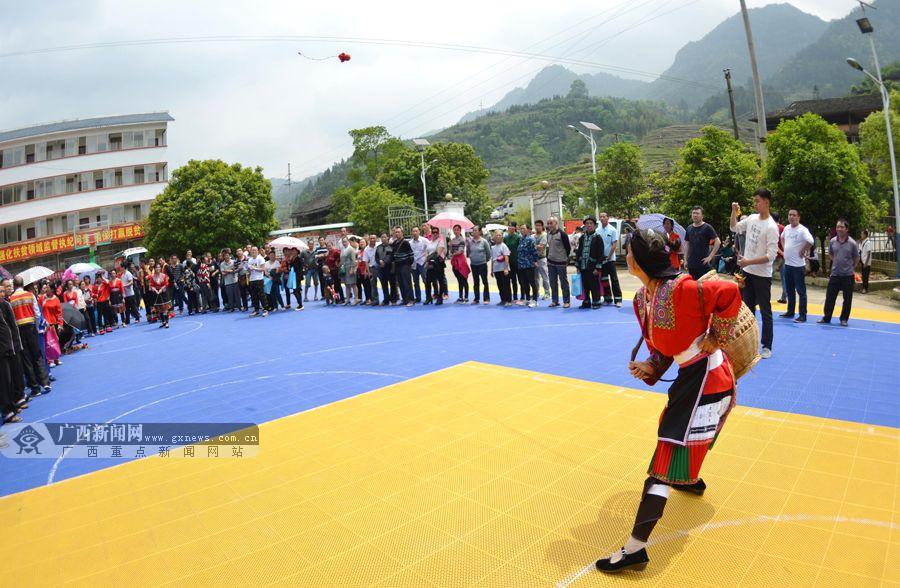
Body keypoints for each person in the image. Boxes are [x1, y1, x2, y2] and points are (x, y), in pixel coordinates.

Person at [594, 229, 741, 574]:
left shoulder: (684, 289)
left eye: (628, 251)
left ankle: (635, 549)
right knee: (675, 435)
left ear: (638, 260)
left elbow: (730, 290)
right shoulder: (643, 299)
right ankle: (688, 478)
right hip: (692, 377)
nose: (626, 256)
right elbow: (664, 348)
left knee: (664, 456)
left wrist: (716, 335)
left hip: (707, 378)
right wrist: (651, 365)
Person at [730, 189, 779, 359]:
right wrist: (733, 212)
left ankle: (767, 346)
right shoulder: (751, 218)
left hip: (762, 275)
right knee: (748, 310)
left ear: (766, 202)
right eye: (755, 201)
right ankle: (749, 344)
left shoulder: (772, 227)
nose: (755, 204)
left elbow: (771, 256)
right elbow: (734, 227)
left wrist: (748, 262)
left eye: (758, 201)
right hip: (747, 273)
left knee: (765, 311)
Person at [9, 277, 51, 397]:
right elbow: (37, 314)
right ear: (23, 284)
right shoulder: (30, 295)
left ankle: (35, 388)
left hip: (19, 330)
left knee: (26, 359)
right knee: (37, 355)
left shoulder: (11, 299)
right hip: (31, 327)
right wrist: (36, 327)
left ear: (14, 285)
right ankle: (45, 381)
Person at [818, 219, 859, 327]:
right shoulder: (832, 241)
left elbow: (856, 258)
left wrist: (850, 268)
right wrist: (836, 262)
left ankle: (844, 319)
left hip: (848, 276)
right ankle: (826, 317)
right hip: (835, 274)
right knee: (830, 297)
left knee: (847, 299)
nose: (839, 229)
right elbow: (831, 254)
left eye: (841, 227)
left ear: (846, 229)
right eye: (837, 227)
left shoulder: (852, 243)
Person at [779, 209, 814, 322]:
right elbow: (782, 237)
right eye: (789, 215)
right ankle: (790, 311)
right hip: (788, 264)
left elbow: (811, 241)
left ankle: (803, 315)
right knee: (789, 290)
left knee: (801, 291)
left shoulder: (802, 230)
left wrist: (803, 250)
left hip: (798, 266)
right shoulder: (787, 228)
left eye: (794, 215)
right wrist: (785, 249)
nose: (791, 217)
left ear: (798, 217)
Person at [576, 216, 605, 309]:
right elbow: (579, 251)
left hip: (593, 266)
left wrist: (598, 267)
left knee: (594, 284)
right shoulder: (582, 238)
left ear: (594, 225)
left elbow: (601, 254)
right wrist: (578, 265)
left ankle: (596, 302)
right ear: (584, 225)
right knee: (585, 284)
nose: (589, 225)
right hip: (583, 265)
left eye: (591, 223)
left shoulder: (598, 238)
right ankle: (586, 301)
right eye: (587, 223)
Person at [684, 206, 720, 280]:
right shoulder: (689, 228)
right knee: (693, 286)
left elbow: (718, 242)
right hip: (691, 263)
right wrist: (685, 260)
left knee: (703, 286)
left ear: (702, 216)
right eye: (693, 213)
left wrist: (710, 257)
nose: (695, 215)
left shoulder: (707, 227)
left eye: (697, 213)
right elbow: (687, 245)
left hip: (703, 263)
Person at [598, 212, 623, 307]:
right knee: (604, 280)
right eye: (600, 217)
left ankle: (618, 299)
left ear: (608, 218)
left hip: (610, 259)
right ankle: (607, 298)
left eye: (604, 216)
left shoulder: (613, 230)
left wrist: (609, 256)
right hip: (601, 260)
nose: (602, 218)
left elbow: (614, 244)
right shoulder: (597, 231)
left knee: (614, 279)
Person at [546, 217, 571, 308]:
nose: (549, 225)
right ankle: (555, 301)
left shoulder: (562, 234)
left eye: (551, 223)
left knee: (563, 282)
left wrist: (564, 258)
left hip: (561, 262)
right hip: (550, 262)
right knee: (553, 282)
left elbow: (568, 248)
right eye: (548, 223)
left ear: (556, 223)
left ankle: (566, 301)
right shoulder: (548, 234)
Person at [466, 226, 492, 304]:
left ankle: (486, 298)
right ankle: (476, 298)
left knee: (485, 282)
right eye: (473, 230)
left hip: (482, 264)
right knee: (476, 282)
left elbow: (488, 253)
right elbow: (468, 252)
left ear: (480, 232)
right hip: (473, 265)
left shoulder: (484, 241)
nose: (474, 232)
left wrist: (485, 260)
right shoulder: (470, 242)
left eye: (476, 230)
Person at [516, 223, 539, 308]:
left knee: (532, 282)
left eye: (523, 228)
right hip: (521, 265)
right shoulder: (521, 239)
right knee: (524, 283)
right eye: (521, 229)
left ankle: (535, 300)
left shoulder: (530, 239)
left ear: (528, 230)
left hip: (529, 264)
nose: (522, 230)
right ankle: (528, 299)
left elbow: (534, 251)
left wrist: (535, 261)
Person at [392, 226, 415, 306]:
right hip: (398, 266)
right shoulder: (394, 243)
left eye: (398, 232)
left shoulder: (405, 243)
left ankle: (411, 300)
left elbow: (411, 255)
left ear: (402, 233)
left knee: (407, 283)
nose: (397, 234)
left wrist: (408, 264)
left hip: (405, 265)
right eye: (396, 232)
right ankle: (405, 299)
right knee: (401, 283)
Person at [449, 224, 470, 303]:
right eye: (454, 229)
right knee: (459, 280)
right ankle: (460, 297)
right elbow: (451, 252)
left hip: (461, 262)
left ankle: (466, 297)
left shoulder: (462, 239)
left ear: (460, 230)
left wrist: (453, 254)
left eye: (457, 229)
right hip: (455, 262)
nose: (456, 231)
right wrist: (450, 246)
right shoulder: (452, 240)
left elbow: (460, 251)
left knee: (464, 279)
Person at [490, 230, 512, 306]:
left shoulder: (504, 246)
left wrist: (506, 268)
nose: (498, 236)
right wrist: (492, 270)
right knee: (500, 285)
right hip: (496, 269)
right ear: (494, 237)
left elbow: (506, 257)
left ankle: (508, 300)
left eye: (500, 235)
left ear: (502, 237)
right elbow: (493, 259)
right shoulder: (493, 247)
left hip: (503, 269)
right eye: (497, 235)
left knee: (506, 285)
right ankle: (503, 300)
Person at [409, 226, 429, 303]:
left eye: (416, 231)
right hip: (414, 264)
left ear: (419, 232)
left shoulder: (425, 240)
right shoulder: (410, 243)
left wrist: (426, 260)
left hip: (422, 263)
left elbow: (429, 250)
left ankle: (428, 296)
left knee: (426, 280)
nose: (414, 233)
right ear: (411, 233)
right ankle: (418, 297)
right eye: (413, 231)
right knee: (415, 282)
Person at [247, 246, 268, 317]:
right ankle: (256, 310)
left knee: (261, 295)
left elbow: (263, 269)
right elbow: (249, 271)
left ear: (257, 251)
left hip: (259, 279)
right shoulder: (249, 260)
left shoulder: (260, 258)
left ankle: (265, 309)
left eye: (255, 250)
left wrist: (255, 268)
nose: (253, 252)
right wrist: (248, 269)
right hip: (252, 280)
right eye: (252, 250)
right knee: (254, 296)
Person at [148, 264, 171, 329]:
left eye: (159, 267)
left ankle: (167, 322)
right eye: (156, 267)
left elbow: (166, 284)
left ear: (160, 268)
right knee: (159, 309)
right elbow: (151, 285)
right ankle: (163, 322)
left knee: (165, 308)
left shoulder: (164, 275)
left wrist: (161, 289)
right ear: (154, 268)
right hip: (157, 293)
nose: (158, 268)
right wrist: (155, 290)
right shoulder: (152, 277)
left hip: (164, 293)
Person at [375, 233, 395, 305]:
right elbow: (376, 257)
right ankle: (386, 300)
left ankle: (393, 300)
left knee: (392, 285)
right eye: (382, 237)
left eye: (384, 237)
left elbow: (391, 257)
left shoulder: (391, 247)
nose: (383, 238)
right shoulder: (378, 247)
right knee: (384, 285)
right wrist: (379, 262)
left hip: (390, 268)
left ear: (388, 238)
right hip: (381, 269)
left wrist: (384, 262)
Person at [504, 221, 521, 301]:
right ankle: (514, 297)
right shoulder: (506, 237)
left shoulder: (518, 237)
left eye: (512, 226)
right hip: (509, 262)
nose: (510, 228)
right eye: (509, 226)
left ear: (515, 228)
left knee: (521, 280)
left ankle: (523, 296)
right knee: (512, 280)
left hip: (517, 261)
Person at [533, 220, 550, 300]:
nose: (537, 227)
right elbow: (537, 246)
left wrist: (532, 245)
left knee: (544, 277)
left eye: (539, 225)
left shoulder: (544, 235)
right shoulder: (533, 236)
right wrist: (536, 246)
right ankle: (536, 293)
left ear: (542, 226)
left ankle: (547, 293)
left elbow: (541, 247)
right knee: (535, 278)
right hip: (534, 259)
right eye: (536, 225)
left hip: (542, 259)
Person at [340, 237, 359, 305]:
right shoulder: (342, 249)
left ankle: (356, 299)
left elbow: (353, 260)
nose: (344, 243)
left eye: (345, 241)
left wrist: (352, 269)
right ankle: (348, 299)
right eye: (343, 241)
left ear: (348, 241)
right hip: (344, 269)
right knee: (347, 284)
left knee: (353, 284)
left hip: (350, 268)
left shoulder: (351, 249)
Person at [363, 235, 379, 305]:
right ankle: (375, 300)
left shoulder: (379, 246)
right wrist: (368, 271)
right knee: (373, 286)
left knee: (384, 284)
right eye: (371, 238)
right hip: (372, 268)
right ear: (369, 239)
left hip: (380, 268)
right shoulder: (366, 249)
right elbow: (366, 261)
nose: (372, 239)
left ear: (376, 239)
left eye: (374, 238)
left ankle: (386, 300)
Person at [859, 230, 873, 294]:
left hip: (866, 262)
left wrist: (866, 263)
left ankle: (865, 289)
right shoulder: (863, 242)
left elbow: (869, 253)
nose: (861, 235)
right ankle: (863, 288)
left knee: (865, 276)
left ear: (865, 235)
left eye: (862, 234)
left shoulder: (868, 242)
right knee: (863, 276)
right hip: (863, 261)